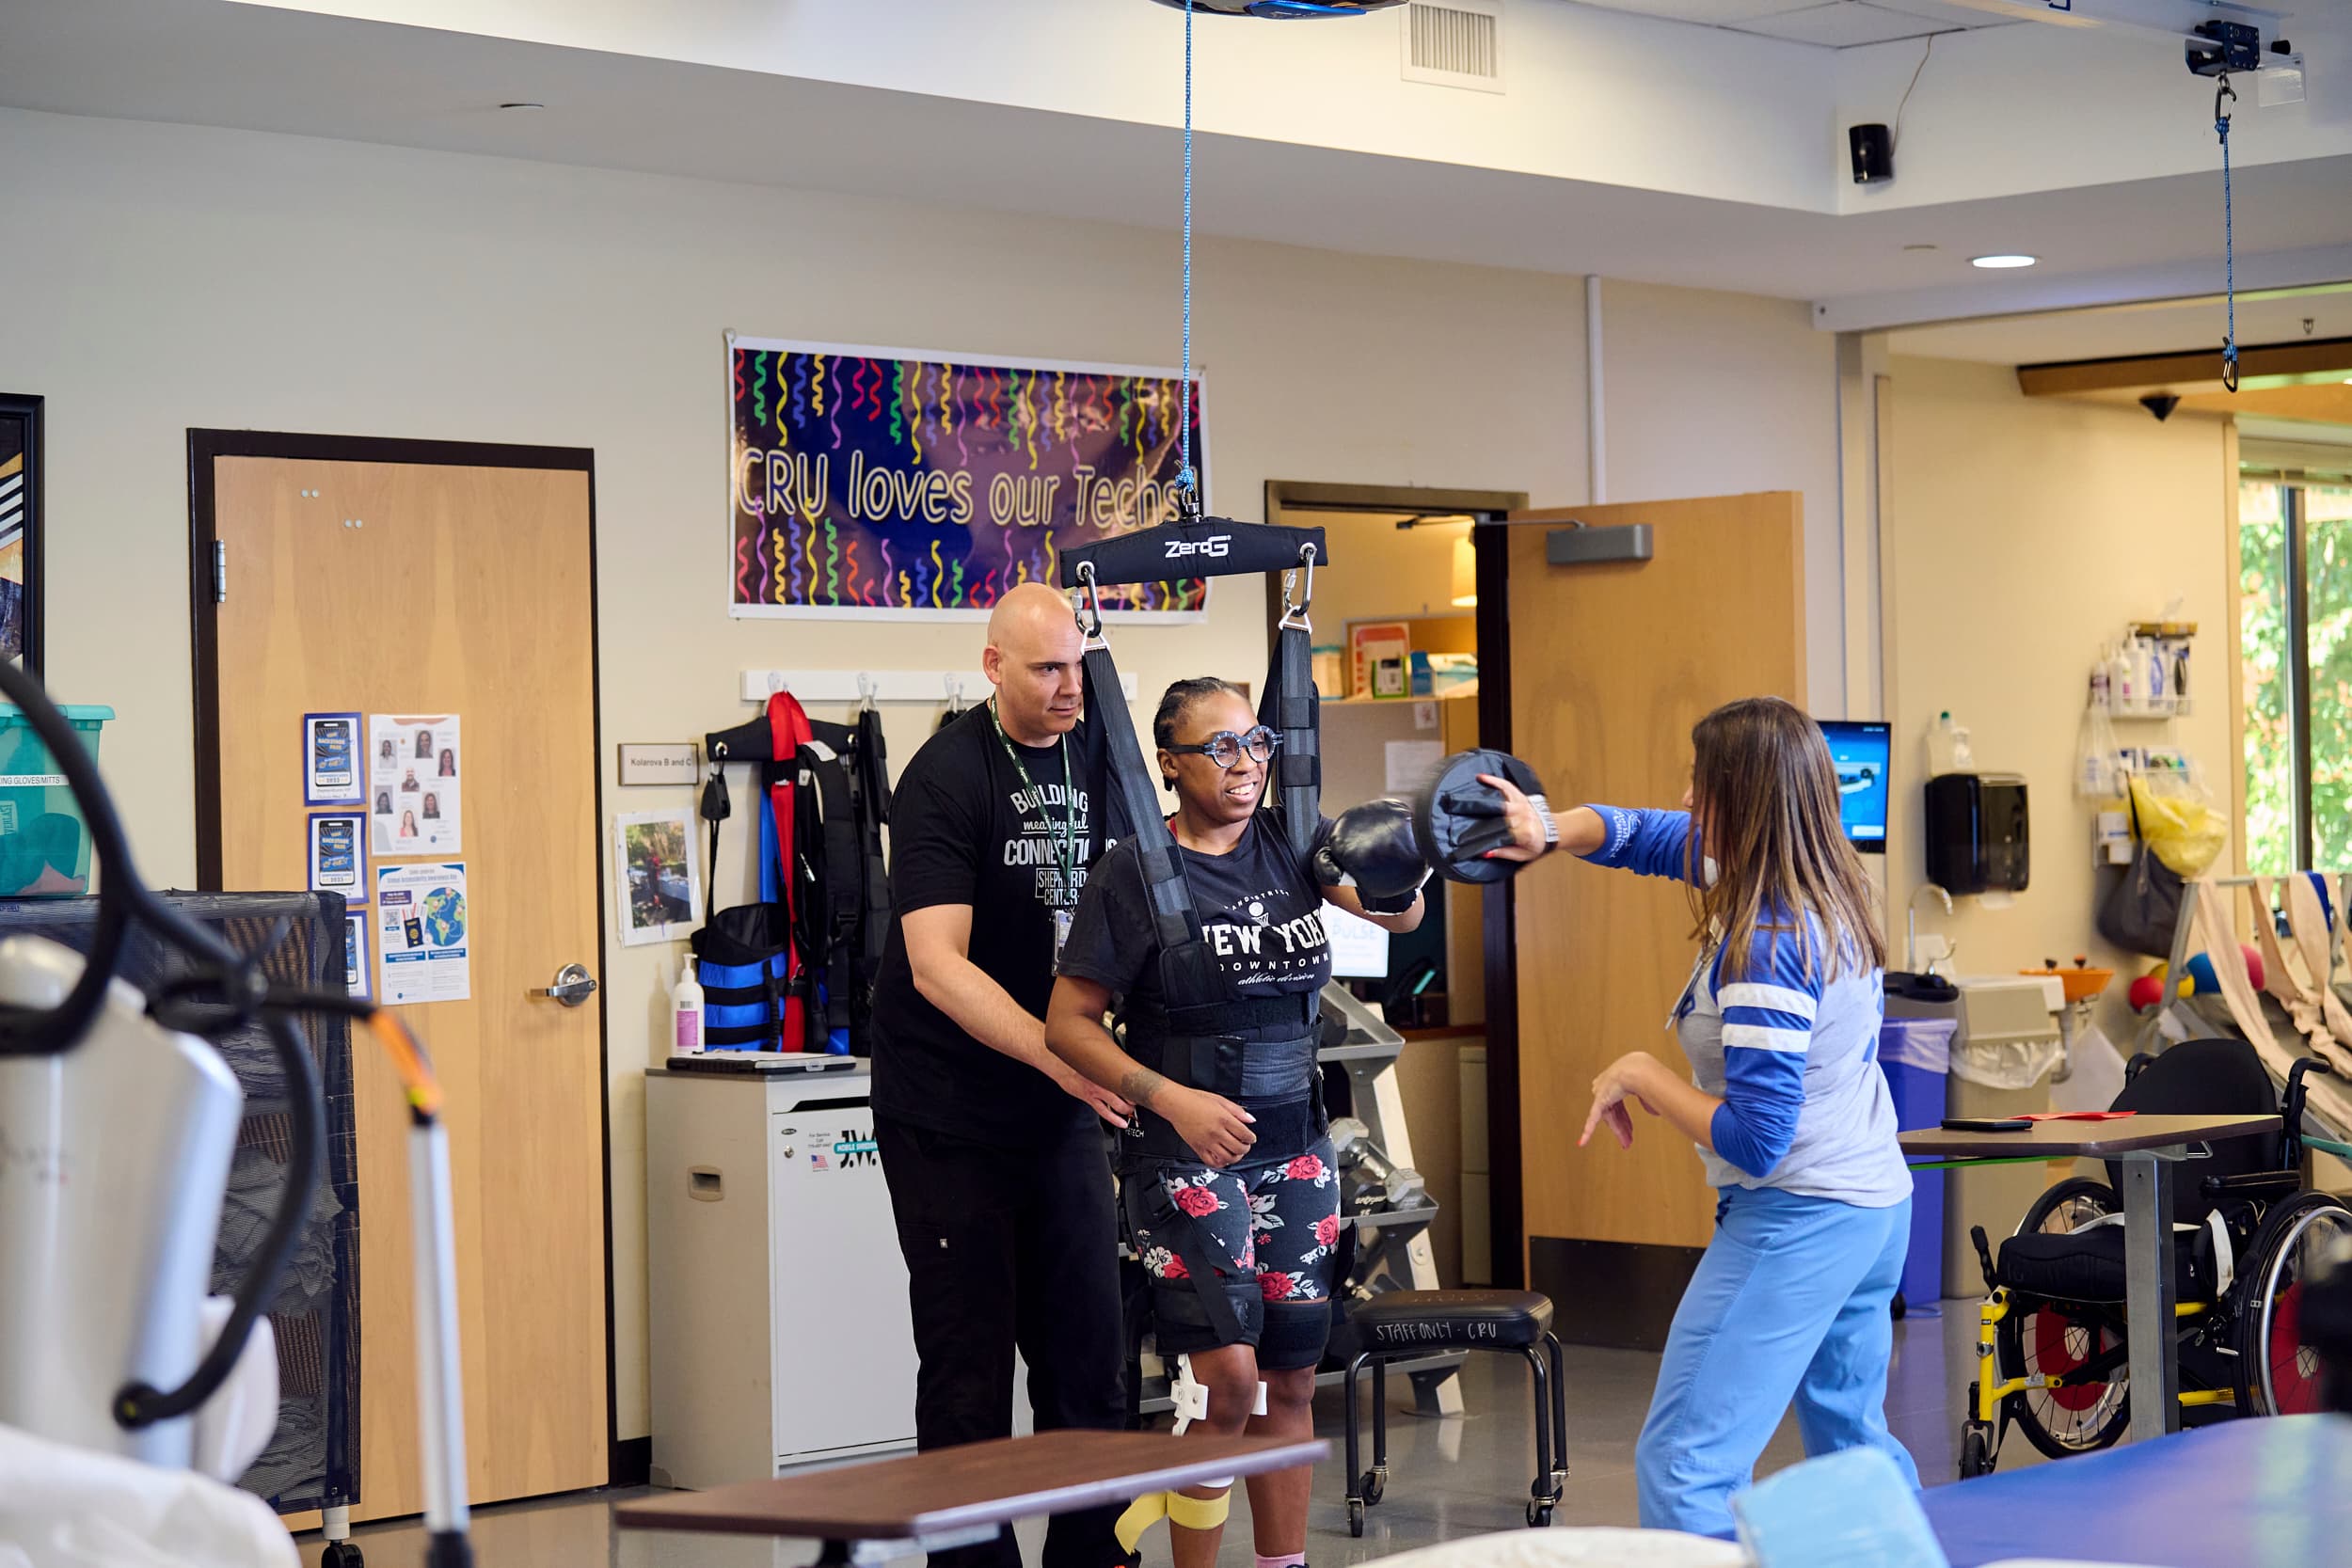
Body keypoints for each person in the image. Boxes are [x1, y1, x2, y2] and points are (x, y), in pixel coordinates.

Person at [1486, 696, 1915, 1537]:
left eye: (1699, 783)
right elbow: (1644, 833)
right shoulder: (1821, 880)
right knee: (1853, 1455)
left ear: (1742, 800)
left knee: (1687, 1462)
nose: (1685, 797)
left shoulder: (1772, 940)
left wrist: (1645, 1072)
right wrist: (1543, 825)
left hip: (1800, 1216)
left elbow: (1759, 1139)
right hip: (1871, 1207)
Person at [1045, 677, 1426, 1568]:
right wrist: (1166, 1096)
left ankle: (1280, 1563)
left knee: (1294, 1374)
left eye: (1255, 741)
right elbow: (1068, 1022)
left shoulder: (1294, 844)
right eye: (1218, 747)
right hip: (1182, 1154)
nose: (1245, 762)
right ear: (1170, 764)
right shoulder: (1132, 871)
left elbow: (1396, 912)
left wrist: (1403, 865)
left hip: (1297, 1149)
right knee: (1232, 1379)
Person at [866, 581, 1134, 1568]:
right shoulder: (944, 774)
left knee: (1089, 1369)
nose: (1070, 687)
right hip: (948, 1111)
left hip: (1059, 1101)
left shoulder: (1103, 752)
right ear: (993, 667)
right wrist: (1062, 1055)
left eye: (1078, 664)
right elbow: (937, 963)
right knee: (970, 1375)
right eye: (1046, 669)